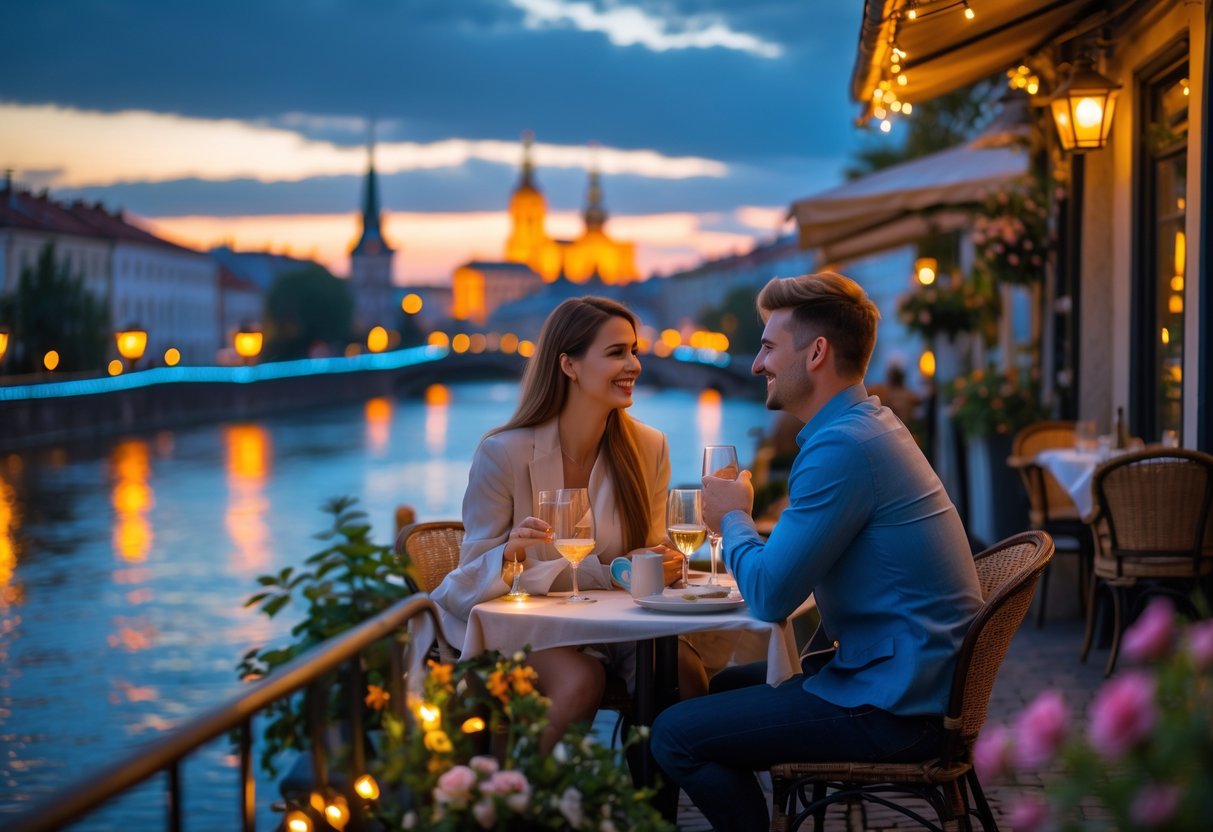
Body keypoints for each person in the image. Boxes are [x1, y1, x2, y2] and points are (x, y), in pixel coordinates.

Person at [650, 272, 983, 830]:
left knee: (673, 734)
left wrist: (733, 516)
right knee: (712, 689)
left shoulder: (841, 448)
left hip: (895, 708)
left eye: (767, 346)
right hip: (919, 684)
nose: (757, 364)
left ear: (817, 352)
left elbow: (770, 597)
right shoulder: (869, 427)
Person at [431, 296, 707, 752]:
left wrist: (667, 561)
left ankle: (654, 814)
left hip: (616, 625)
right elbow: (467, 579)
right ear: (569, 365)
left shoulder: (649, 447)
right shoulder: (503, 453)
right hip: (527, 627)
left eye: (634, 350)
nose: (634, 364)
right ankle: (517, 802)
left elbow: (650, 552)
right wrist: (509, 555)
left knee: (682, 675)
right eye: (617, 352)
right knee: (581, 679)